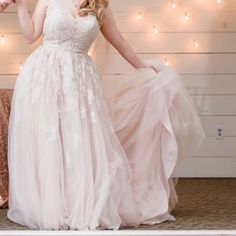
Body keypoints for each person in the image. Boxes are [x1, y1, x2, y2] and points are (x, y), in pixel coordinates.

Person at [1, 0, 205, 230]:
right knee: (51, 139)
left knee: (80, 141)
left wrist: (144, 67)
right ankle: (53, 204)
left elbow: (120, 42)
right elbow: (30, 36)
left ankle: (78, 202)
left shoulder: (99, 5)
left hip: (80, 79)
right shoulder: (47, 0)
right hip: (43, 76)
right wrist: (20, 6)